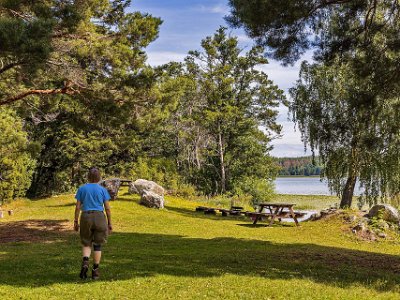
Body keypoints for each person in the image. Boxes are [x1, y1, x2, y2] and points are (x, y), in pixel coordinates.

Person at [73, 167, 112, 280]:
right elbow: (108, 208)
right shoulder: (102, 190)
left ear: (88, 177)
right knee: (98, 244)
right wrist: (109, 223)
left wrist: (76, 221)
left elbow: (77, 207)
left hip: (86, 216)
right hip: (99, 217)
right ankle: (95, 271)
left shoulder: (82, 189)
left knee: (86, 242)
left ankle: (85, 262)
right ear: (99, 177)